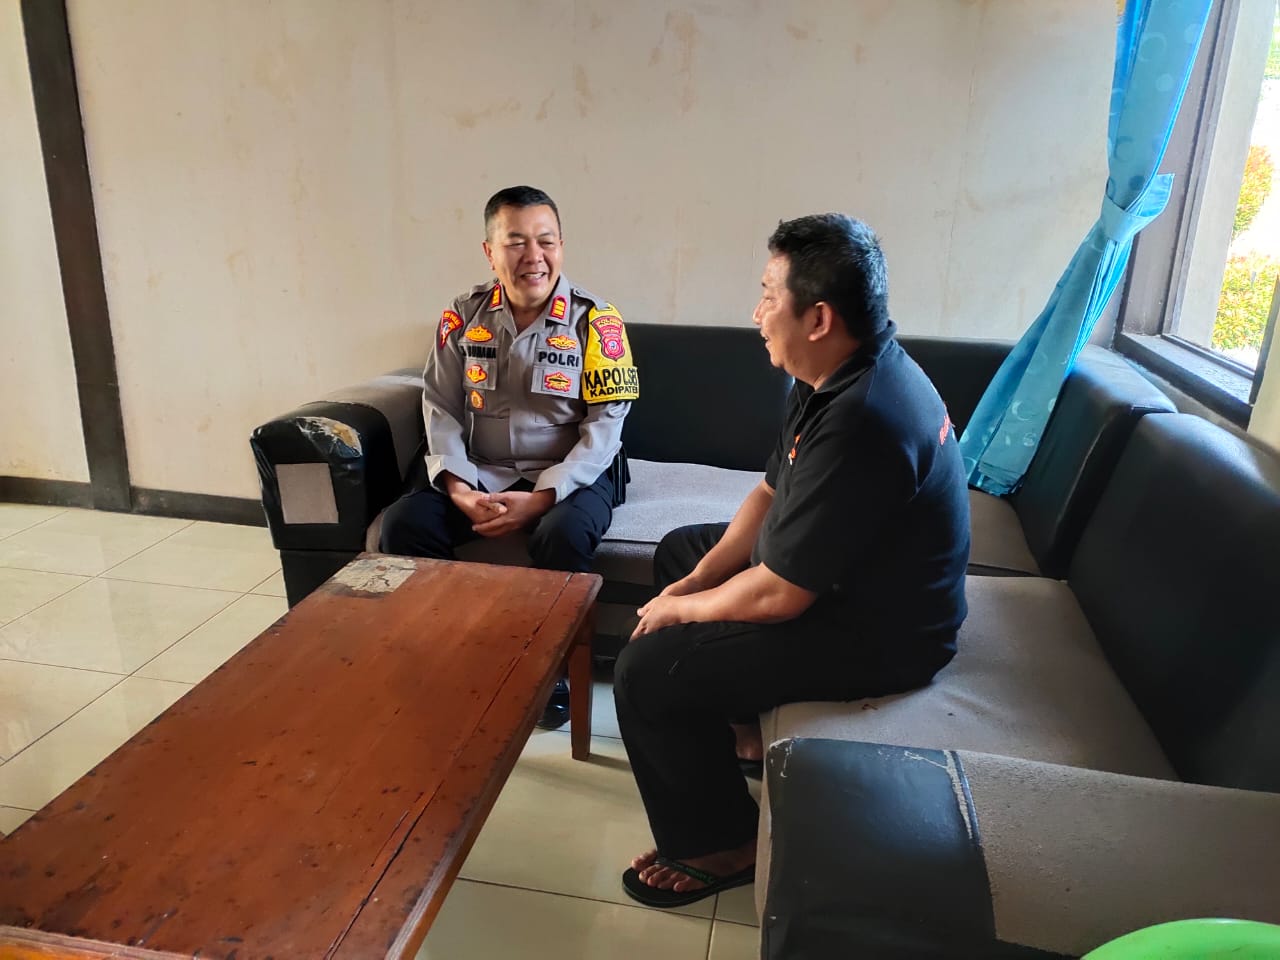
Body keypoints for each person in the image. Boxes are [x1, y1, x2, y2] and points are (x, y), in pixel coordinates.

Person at [614, 213, 969, 908]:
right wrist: (696, 581)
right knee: (683, 551)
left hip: (885, 633)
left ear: (819, 318)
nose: (756, 314)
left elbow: (781, 594)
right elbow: (770, 491)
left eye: (768, 296)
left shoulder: (865, 417)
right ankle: (743, 732)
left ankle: (722, 843)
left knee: (647, 670)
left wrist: (680, 611)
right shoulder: (832, 374)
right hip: (849, 579)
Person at [380, 185, 637, 729]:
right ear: (489, 251)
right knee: (404, 525)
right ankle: (448, 651)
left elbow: (605, 427)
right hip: (480, 470)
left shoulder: (598, 322)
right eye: (516, 242)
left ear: (562, 246)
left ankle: (554, 671)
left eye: (546, 241)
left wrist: (541, 499)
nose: (533, 256)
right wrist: (457, 487)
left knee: (562, 535)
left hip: (571, 473)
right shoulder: (463, 316)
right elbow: (440, 406)